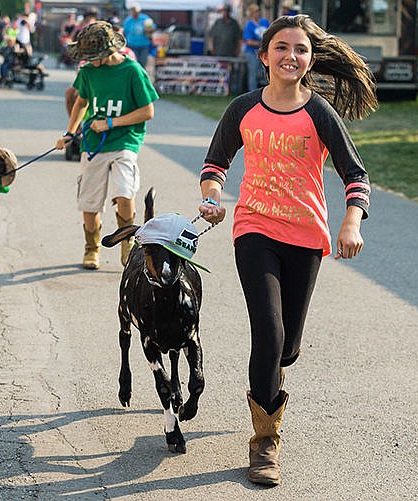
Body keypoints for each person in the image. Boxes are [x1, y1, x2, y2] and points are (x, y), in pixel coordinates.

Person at [198, 14, 376, 486]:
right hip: (254, 228)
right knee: (269, 333)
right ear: (264, 56)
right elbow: (216, 163)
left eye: (299, 49)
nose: (290, 56)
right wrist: (213, 199)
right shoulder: (242, 109)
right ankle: (264, 443)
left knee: (287, 349)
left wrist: (351, 221)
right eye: (281, 47)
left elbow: (355, 175)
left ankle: (271, 382)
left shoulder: (319, 113)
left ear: (310, 59)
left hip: (306, 236)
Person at [54, 21, 159, 270]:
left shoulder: (132, 71)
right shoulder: (89, 71)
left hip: (125, 141)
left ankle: (127, 244)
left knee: (125, 192)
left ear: (108, 51)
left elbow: (147, 111)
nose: (88, 60)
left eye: (92, 56)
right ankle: (92, 248)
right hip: (94, 144)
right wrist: (70, 132)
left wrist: (110, 123)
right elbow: (81, 102)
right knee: (89, 202)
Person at [242, 4, 270, 91]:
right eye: (255, 12)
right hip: (252, 52)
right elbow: (248, 41)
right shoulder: (249, 25)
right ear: (251, 13)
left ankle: (267, 92)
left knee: (265, 72)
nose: (257, 13)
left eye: (258, 11)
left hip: (264, 52)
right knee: (253, 74)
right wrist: (262, 44)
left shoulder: (265, 22)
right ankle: (252, 93)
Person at [123, 3, 154, 68]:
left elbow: (153, 28)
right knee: (133, 62)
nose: (135, 13)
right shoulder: (128, 20)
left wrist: (149, 29)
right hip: (132, 44)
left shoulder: (145, 19)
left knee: (143, 62)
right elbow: (125, 32)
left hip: (144, 44)